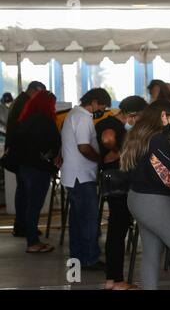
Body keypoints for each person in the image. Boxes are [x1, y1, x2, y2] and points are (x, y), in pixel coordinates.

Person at [120, 100, 170, 290]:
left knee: (150, 254)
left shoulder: (135, 136)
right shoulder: (157, 139)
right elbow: (169, 179)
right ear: (162, 116)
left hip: (136, 198)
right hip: (156, 203)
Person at [95, 96, 147, 290]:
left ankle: (112, 279)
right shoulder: (112, 124)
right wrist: (120, 150)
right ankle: (116, 280)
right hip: (119, 183)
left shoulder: (108, 122)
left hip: (113, 182)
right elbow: (108, 138)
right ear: (132, 114)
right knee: (118, 231)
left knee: (116, 231)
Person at [60, 88, 111, 270]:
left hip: (74, 175)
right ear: (94, 102)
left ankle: (78, 256)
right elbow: (84, 147)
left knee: (77, 220)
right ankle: (90, 258)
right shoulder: (82, 118)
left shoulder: (73, 114)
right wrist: (101, 159)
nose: (102, 111)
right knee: (89, 219)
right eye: (102, 106)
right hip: (81, 176)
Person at [14, 90, 61, 253]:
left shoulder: (26, 119)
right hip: (38, 169)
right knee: (34, 206)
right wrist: (53, 158)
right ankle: (32, 242)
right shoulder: (45, 121)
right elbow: (47, 146)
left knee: (29, 205)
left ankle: (32, 239)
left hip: (25, 168)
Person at [5, 81, 47, 237]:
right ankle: (25, 227)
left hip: (18, 154)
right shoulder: (25, 103)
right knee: (27, 193)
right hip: (23, 155)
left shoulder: (20, 100)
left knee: (23, 190)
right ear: (34, 91)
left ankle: (21, 225)